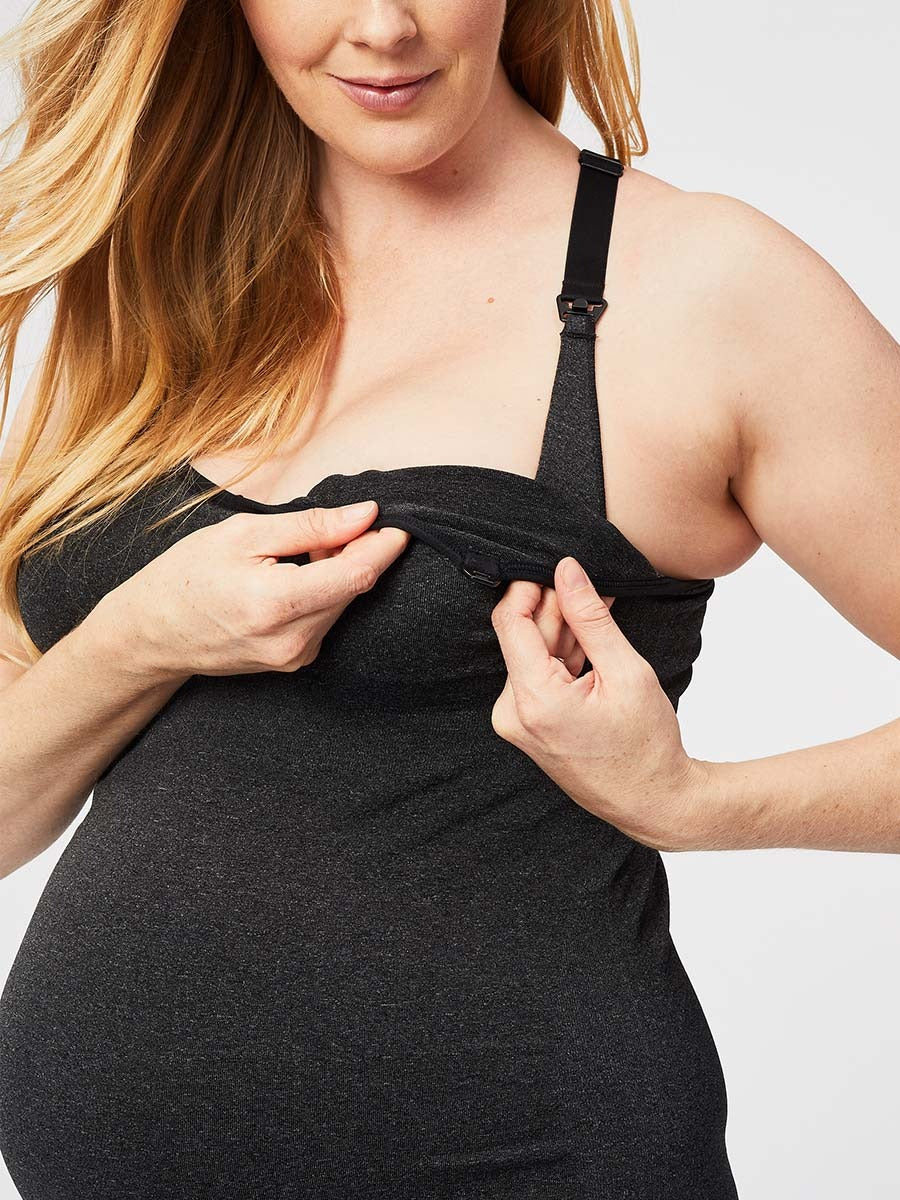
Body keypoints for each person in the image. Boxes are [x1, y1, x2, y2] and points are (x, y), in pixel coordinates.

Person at [0, 0, 897, 1197]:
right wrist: (136, 638)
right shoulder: (161, 281)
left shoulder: (705, 288)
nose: (384, 26)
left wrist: (692, 803)